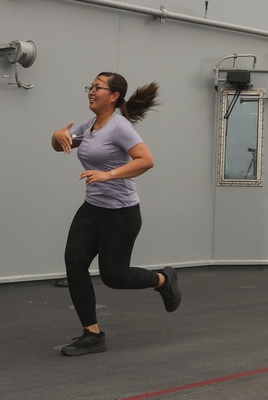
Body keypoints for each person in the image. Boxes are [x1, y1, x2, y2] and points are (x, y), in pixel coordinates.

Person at [50, 72, 181, 356]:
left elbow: (147, 160)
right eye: (90, 86)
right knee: (75, 266)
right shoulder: (90, 126)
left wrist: (109, 175)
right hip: (91, 209)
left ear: (114, 96)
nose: (91, 91)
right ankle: (92, 335)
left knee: (114, 276)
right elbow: (62, 143)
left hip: (121, 214)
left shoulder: (120, 127)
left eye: (98, 87)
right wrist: (57, 135)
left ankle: (162, 280)